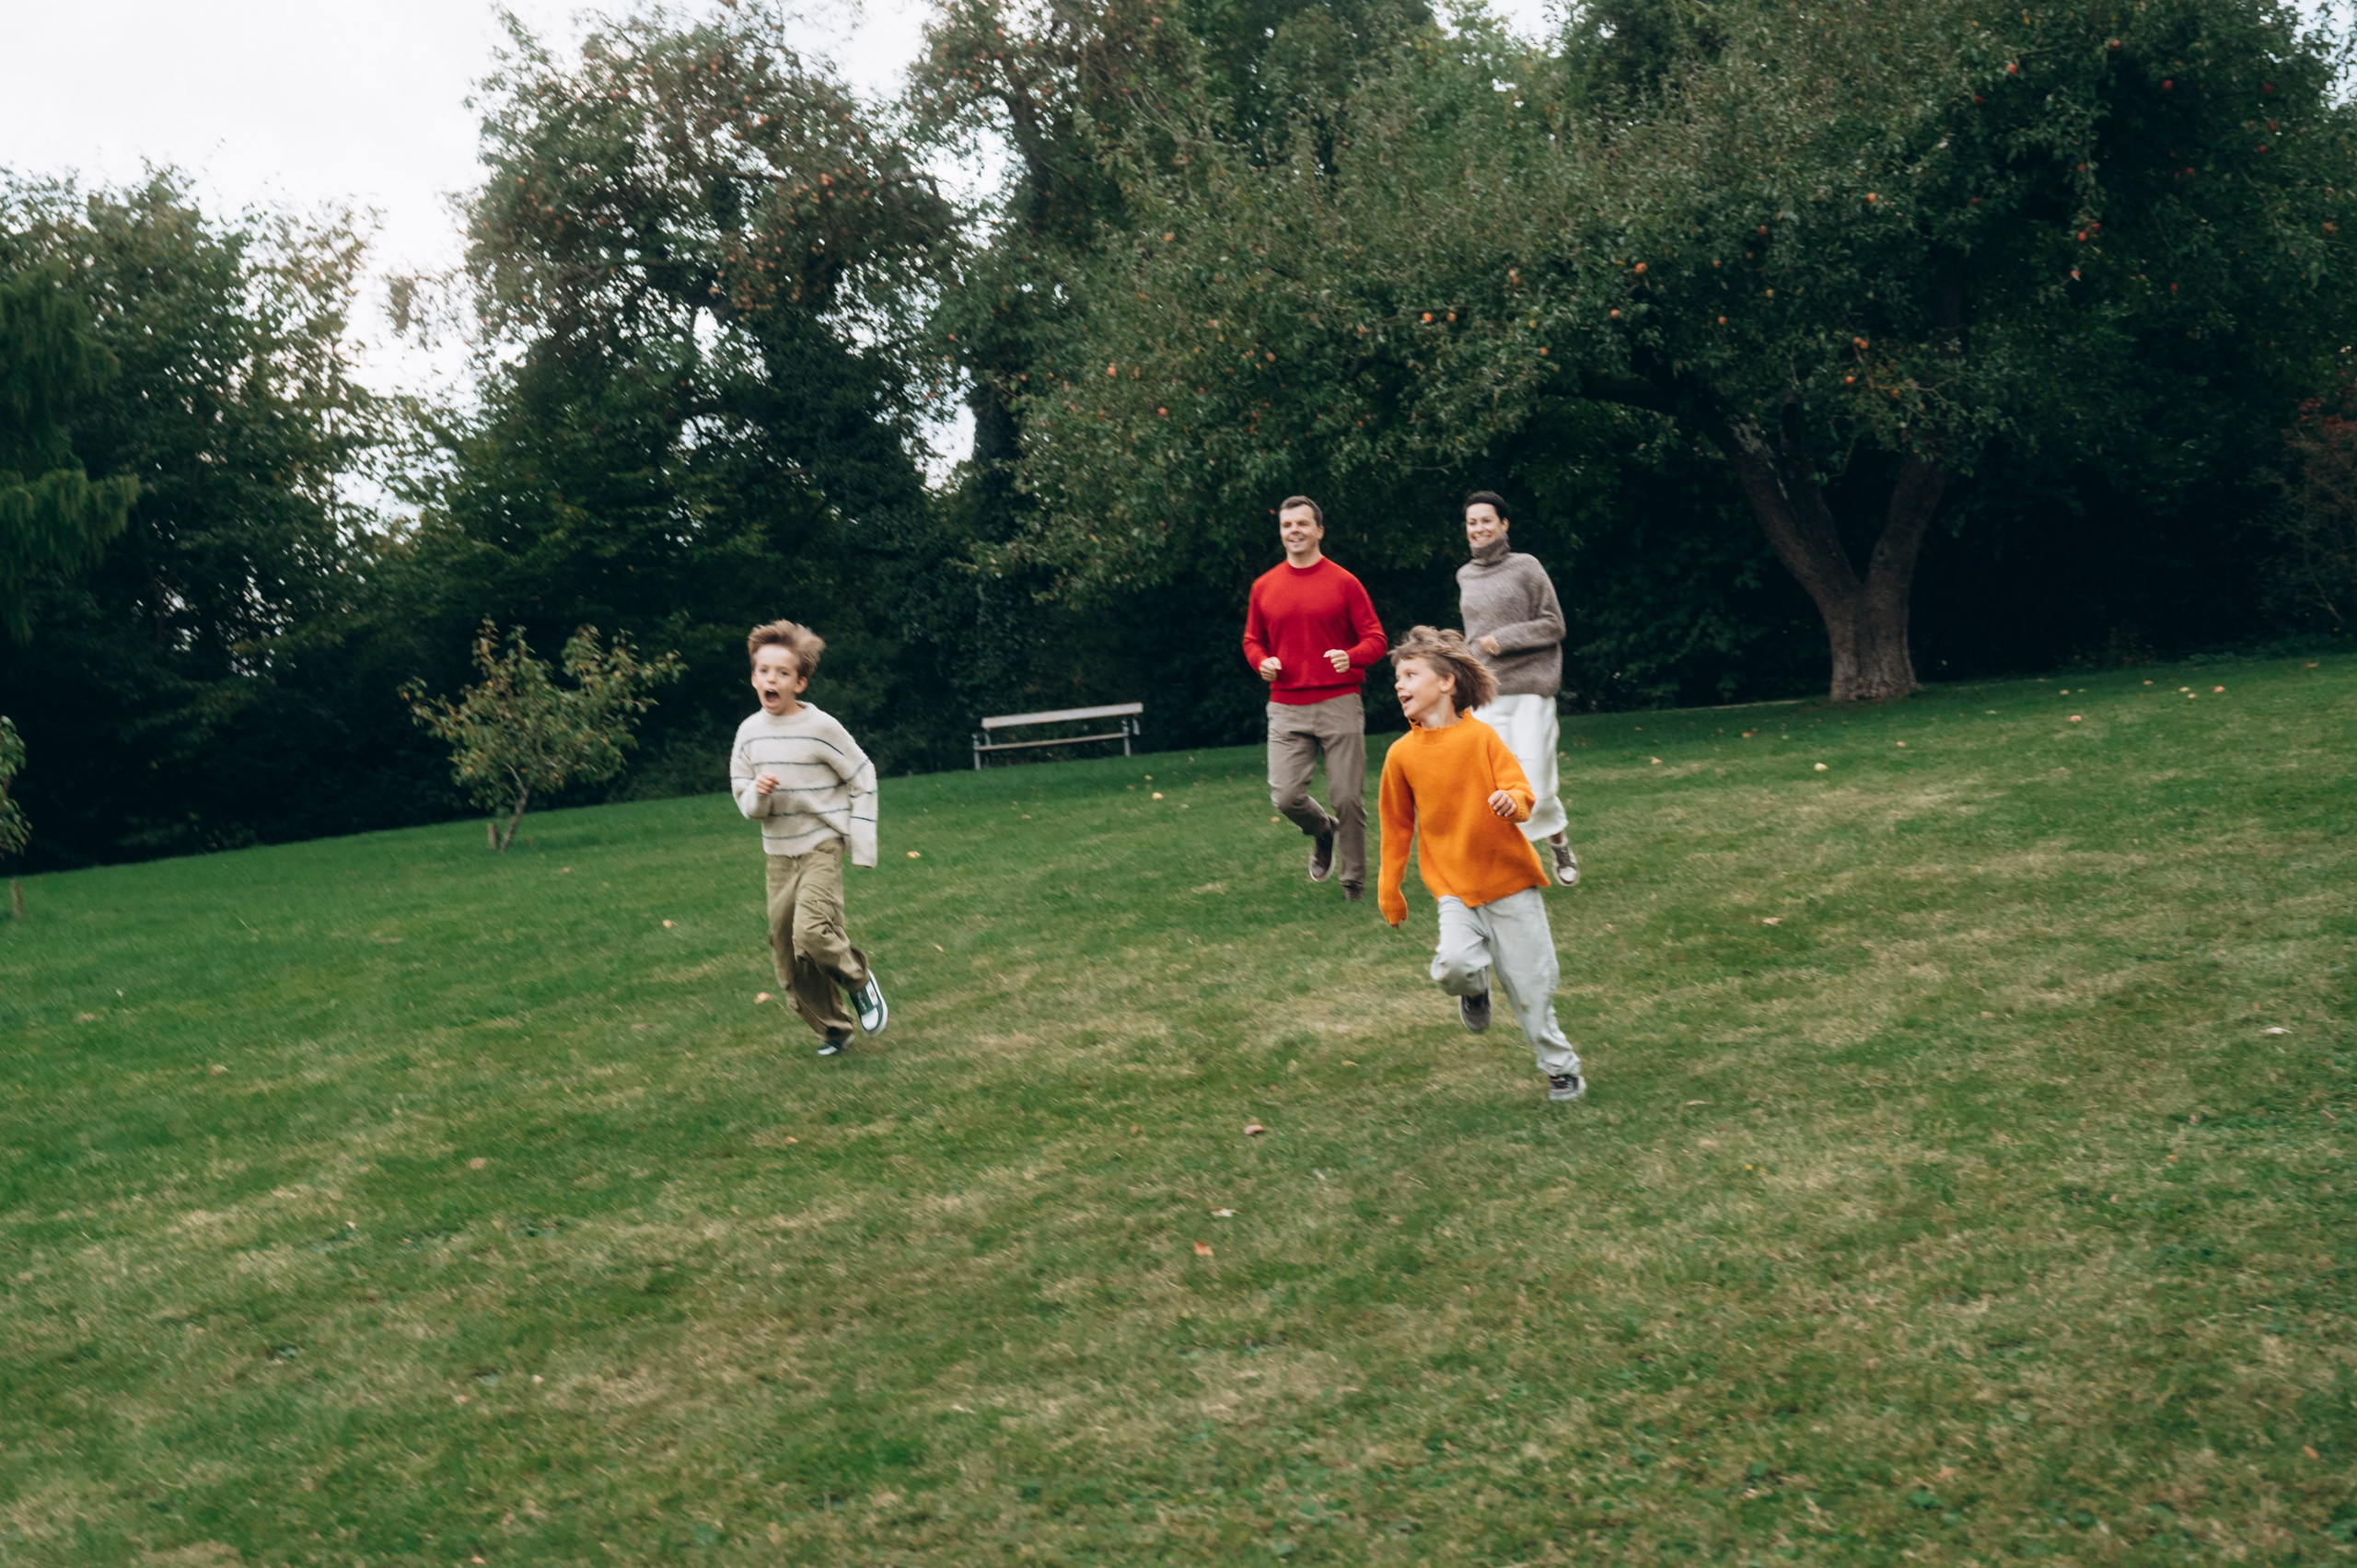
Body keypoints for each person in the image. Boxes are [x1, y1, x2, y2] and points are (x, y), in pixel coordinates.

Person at [1376, 625, 1586, 1102]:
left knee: (1533, 988)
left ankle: (1561, 1069)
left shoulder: (1481, 738)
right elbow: (1396, 827)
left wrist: (1512, 804)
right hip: (1454, 887)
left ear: (1447, 682)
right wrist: (1390, 886)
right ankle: (1474, 989)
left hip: (1511, 883)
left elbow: (1522, 791)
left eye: (1410, 674)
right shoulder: (1401, 756)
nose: (1399, 685)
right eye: (1397, 678)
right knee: (1452, 965)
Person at [729, 620, 887, 1058]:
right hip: (778, 856)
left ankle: (858, 980)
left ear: (800, 681)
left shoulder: (821, 727)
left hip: (821, 845)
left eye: (782, 673)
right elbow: (742, 796)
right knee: (787, 951)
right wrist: (758, 797)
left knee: (812, 934)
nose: (771, 680)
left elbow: (862, 774)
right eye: (764, 671)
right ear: (754, 678)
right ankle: (834, 1029)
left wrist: (862, 841)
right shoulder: (748, 733)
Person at [1242, 495, 1388, 900]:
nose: (1294, 532)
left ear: (1319, 530)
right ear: (1281, 533)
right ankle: (1322, 829)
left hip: (1339, 701)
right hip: (1286, 705)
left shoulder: (1344, 583)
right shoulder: (1264, 587)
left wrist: (1352, 656)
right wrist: (1261, 662)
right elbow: (1252, 639)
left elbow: (1376, 638)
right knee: (1286, 796)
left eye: (1302, 524)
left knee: (1347, 797)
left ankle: (1353, 882)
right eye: (1287, 526)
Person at [1456, 491, 1578, 887]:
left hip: (1530, 689)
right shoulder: (1465, 575)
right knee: (1497, 789)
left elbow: (1553, 624)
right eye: (1472, 522)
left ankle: (1558, 842)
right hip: (1488, 695)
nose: (1479, 528)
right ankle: (1512, 867)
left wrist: (1504, 638)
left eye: (1486, 520)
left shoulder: (1527, 567)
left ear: (1503, 524)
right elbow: (1473, 638)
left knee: (1537, 787)